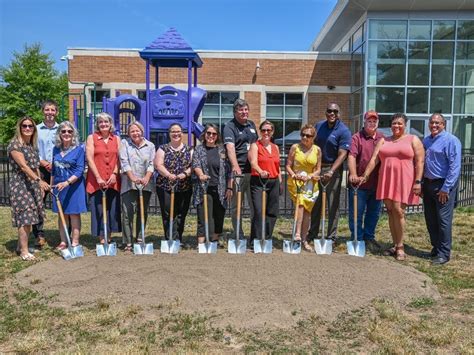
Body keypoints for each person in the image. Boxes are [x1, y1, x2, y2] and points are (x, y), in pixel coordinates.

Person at [362, 113, 425, 261]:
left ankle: (401, 246)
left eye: (400, 123)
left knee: (399, 211)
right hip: (387, 180)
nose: (396, 126)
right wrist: (365, 175)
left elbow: (420, 162)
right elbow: (374, 159)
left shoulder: (413, 139)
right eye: (394, 123)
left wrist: (418, 181)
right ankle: (396, 244)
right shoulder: (384, 140)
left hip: (404, 180)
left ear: (405, 125)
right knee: (390, 211)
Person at [308, 103, 351, 244]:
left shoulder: (344, 131)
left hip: (333, 170)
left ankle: (331, 236)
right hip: (318, 169)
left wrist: (332, 171)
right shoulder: (319, 126)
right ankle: (312, 233)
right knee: (316, 203)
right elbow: (311, 144)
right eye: (329, 111)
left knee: (332, 204)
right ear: (325, 112)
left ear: (339, 114)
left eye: (335, 111)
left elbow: (343, 154)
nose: (332, 113)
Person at [8, 117, 50, 261]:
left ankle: (21, 247)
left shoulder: (31, 145)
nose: (27, 129)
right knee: (24, 218)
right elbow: (24, 167)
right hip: (21, 185)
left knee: (31, 217)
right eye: (24, 126)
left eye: (30, 126)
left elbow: (35, 166)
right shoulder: (15, 145)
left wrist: (40, 184)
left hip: (32, 185)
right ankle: (24, 252)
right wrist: (38, 181)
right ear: (19, 128)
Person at [422, 113, 462, 265]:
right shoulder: (426, 141)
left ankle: (444, 254)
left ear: (444, 124)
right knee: (431, 218)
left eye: (437, 123)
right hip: (428, 184)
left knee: (443, 220)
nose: (434, 125)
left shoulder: (451, 141)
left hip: (443, 185)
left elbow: (455, 166)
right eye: (432, 123)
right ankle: (436, 248)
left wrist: (446, 188)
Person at [347, 110, 384, 252]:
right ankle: (357, 237)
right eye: (369, 120)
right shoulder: (357, 137)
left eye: (374, 121)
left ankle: (369, 237)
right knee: (356, 213)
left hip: (376, 184)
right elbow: (351, 156)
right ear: (364, 121)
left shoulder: (382, 138)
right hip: (359, 185)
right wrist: (353, 174)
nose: (372, 123)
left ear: (377, 123)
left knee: (373, 213)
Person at [223, 99, 258, 242]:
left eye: (246, 109)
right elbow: (230, 148)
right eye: (241, 110)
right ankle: (238, 234)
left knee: (255, 205)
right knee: (237, 206)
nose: (244, 112)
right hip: (239, 173)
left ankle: (254, 236)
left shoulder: (252, 125)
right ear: (235, 112)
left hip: (253, 172)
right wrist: (235, 166)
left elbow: (255, 145)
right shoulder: (229, 126)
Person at [192, 124, 232, 245]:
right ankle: (201, 242)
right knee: (203, 216)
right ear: (204, 134)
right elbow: (196, 164)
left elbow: (229, 171)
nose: (211, 136)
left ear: (217, 136)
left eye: (214, 134)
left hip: (220, 188)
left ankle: (214, 240)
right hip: (204, 188)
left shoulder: (222, 150)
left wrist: (229, 187)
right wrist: (201, 175)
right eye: (209, 133)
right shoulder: (199, 149)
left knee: (218, 215)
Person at [119, 122, 156, 252]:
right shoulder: (125, 143)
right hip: (128, 183)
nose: (135, 133)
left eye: (137, 130)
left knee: (142, 211)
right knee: (127, 213)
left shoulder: (150, 145)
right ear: (129, 133)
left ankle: (140, 238)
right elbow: (124, 161)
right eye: (132, 131)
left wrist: (146, 177)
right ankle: (128, 241)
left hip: (145, 183)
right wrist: (132, 177)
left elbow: (152, 163)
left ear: (142, 131)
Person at [50, 121, 87, 250]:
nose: (66, 134)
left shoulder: (79, 149)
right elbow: (53, 170)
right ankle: (64, 241)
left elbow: (79, 170)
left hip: (74, 186)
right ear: (59, 133)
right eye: (63, 131)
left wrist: (67, 182)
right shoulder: (56, 149)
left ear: (73, 134)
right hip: (58, 187)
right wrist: (51, 186)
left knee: (74, 214)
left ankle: (75, 241)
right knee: (62, 215)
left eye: (69, 131)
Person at [86, 112, 121, 243]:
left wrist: (114, 174)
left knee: (111, 208)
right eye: (101, 122)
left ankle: (109, 234)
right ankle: (101, 235)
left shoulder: (116, 139)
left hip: (112, 179)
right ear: (97, 124)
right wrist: (98, 177)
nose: (103, 124)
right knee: (99, 208)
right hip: (96, 179)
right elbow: (89, 158)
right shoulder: (92, 137)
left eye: (106, 122)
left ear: (110, 124)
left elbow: (120, 159)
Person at [154, 123, 193, 243]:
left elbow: (193, 166)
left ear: (182, 133)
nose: (176, 134)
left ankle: (178, 238)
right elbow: (158, 164)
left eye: (178, 131)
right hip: (165, 185)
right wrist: (168, 175)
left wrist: (184, 174)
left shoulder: (189, 149)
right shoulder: (163, 148)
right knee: (168, 213)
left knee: (181, 213)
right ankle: (169, 237)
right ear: (169, 133)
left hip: (184, 186)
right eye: (173, 131)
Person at [286, 124, 321, 251]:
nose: (305, 137)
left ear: (313, 137)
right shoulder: (295, 148)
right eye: (303, 135)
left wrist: (310, 176)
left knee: (307, 212)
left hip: (310, 183)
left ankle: (304, 239)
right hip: (296, 182)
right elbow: (288, 165)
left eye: (308, 135)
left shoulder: (317, 150)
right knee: (300, 205)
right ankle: (297, 235)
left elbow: (318, 169)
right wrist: (294, 174)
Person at [249, 120, 282, 244]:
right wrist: (260, 171)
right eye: (263, 130)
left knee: (272, 212)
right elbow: (253, 163)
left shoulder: (276, 147)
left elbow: (277, 167)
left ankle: (266, 238)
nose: (266, 132)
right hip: (259, 181)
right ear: (260, 131)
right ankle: (255, 239)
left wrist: (280, 181)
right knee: (258, 211)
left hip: (273, 181)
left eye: (269, 130)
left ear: (272, 132)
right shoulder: (255, 145)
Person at [34, 100, 59, 248]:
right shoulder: (36, 129)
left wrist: (55, 162)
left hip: (58, 169)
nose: (50, 112)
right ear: (43, 111)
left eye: (53, 110)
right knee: (40, 201)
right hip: (41, 169)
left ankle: (65, 232)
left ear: (56, 112)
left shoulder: (62, 129)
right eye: (47, 110)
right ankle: (39, 234)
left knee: (62, 200)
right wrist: (42, 162)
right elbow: (32, 150)